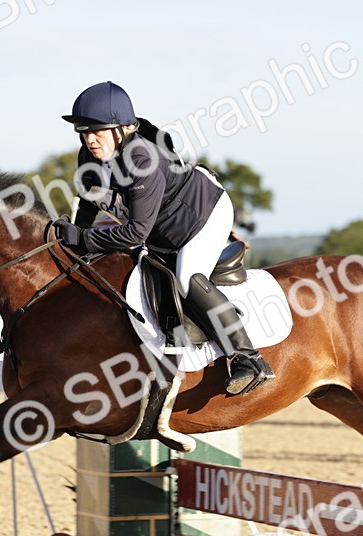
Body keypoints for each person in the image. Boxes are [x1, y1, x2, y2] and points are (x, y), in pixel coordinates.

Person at [54, 81, 275, 396]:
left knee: (187, 278)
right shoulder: (88, 157)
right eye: (84, 131)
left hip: (202, 214)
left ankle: (248, 359)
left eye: (98, 131)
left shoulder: (141, 160)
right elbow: (90, 205)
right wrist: (76, 243)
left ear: (123, 128)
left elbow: (135, 232)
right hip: (162, 225)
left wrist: (83, 238)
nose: (90, 139)